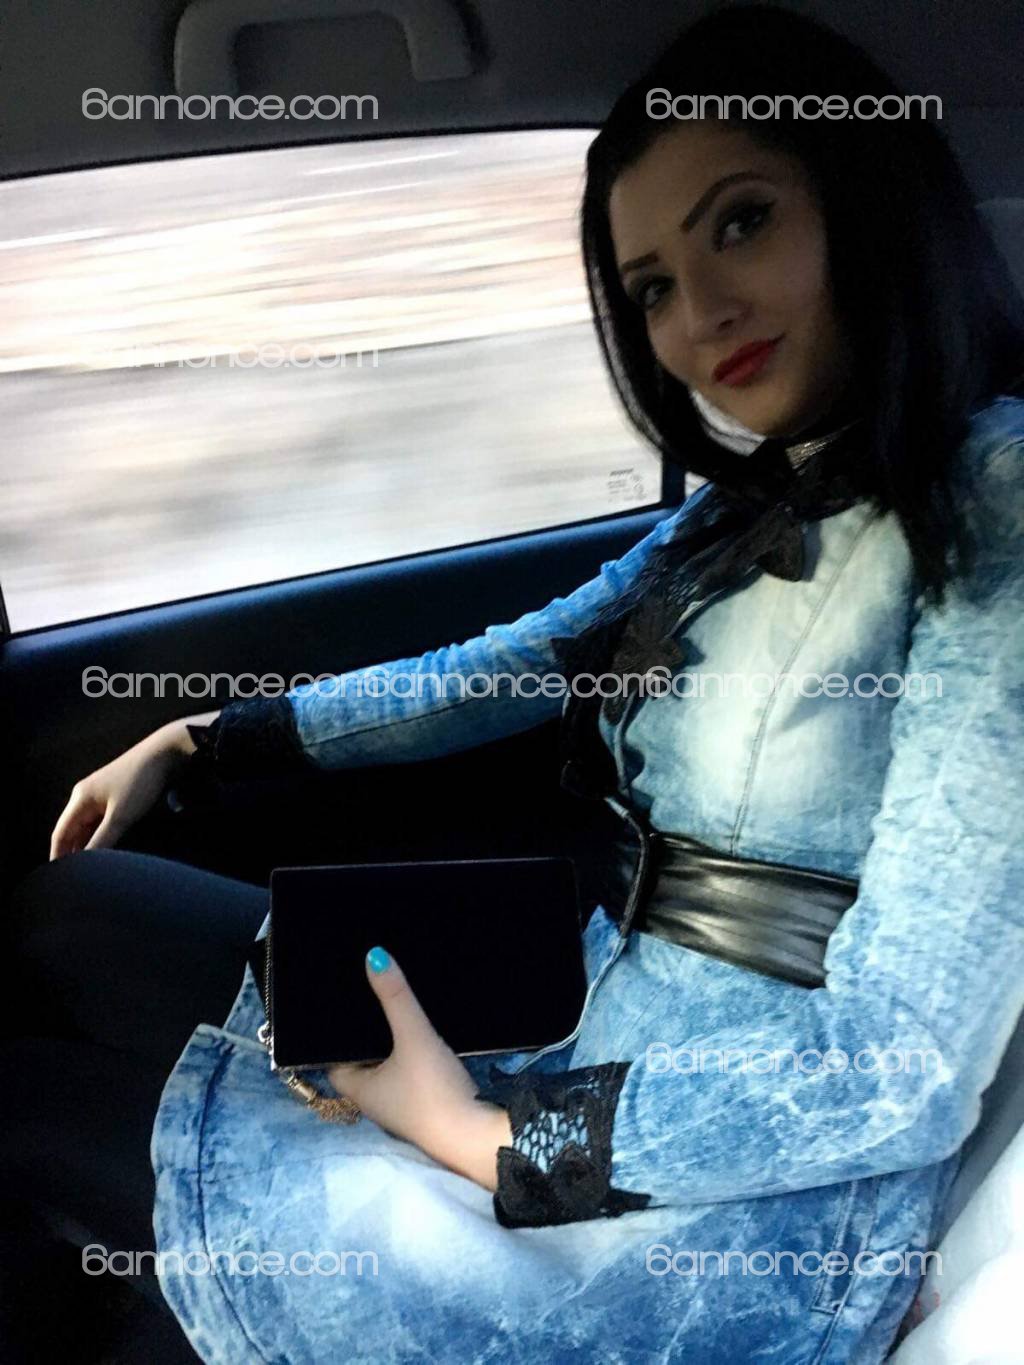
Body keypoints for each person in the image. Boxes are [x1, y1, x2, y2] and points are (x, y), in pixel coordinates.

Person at [5, 5, 1024, 1361]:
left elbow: (902, 1064)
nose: (698, 315)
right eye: (650, 287)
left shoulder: (999, 504)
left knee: (31, 1114)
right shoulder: (742, 510)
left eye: (740, 223)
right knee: (62, 915)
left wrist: (485, 1137)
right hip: (596, 1015)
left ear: (870, 201)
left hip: (729, 1200)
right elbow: (504, 669)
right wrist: (209, 737)